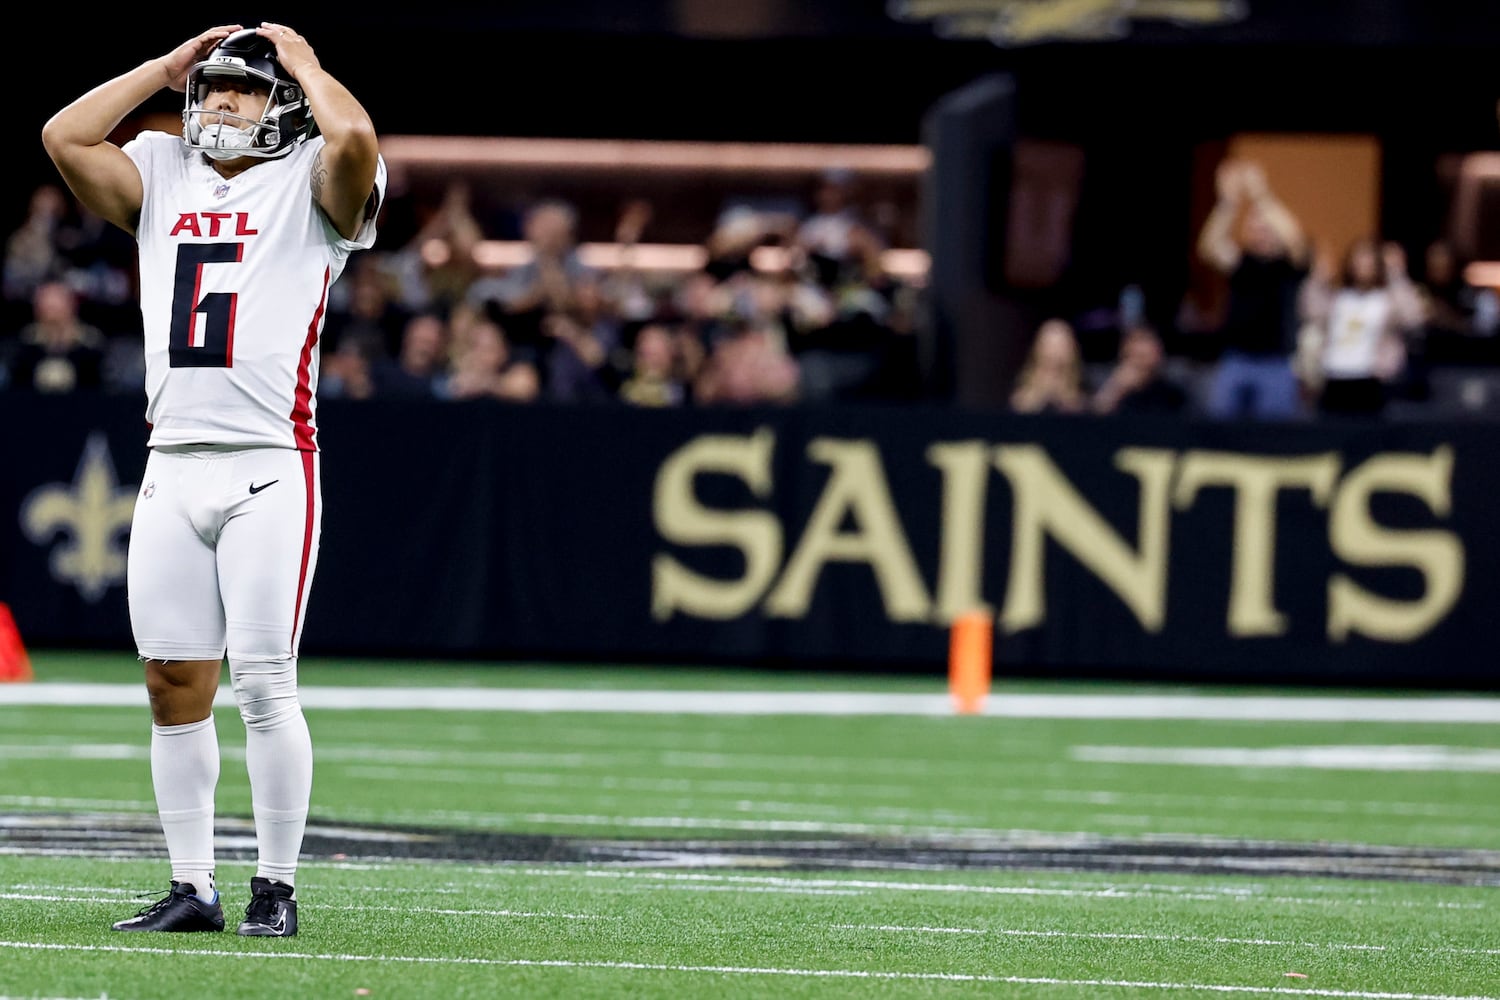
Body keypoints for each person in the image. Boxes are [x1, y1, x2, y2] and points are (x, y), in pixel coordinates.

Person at [42, 22, 386, 937]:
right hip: (171, 461)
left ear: (282, 106)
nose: (219, 101)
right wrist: (161, 68)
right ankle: (193, 885)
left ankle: (276, 885)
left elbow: (353, 141)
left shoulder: (313, 174)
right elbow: (64, 137)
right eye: (211, 87)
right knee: (170, 683)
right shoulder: (160, 168)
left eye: (241, 88)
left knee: (266, 682)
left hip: (270, 464)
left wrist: (306, 64)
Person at [1196, 159, 1310, 420]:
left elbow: (1294, 238)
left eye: (1267, 226)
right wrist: (1229, 203)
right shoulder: (1242, 263)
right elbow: (1209, 247)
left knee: (1273, 434)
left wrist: (1261, 195)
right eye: (1255, 225)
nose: (1261, 230)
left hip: (1276, 363)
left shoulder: (1289, 266)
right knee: (1221, 431)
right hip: (1236, 359)